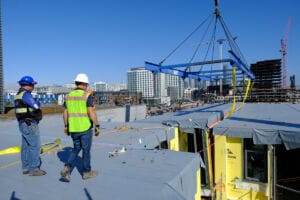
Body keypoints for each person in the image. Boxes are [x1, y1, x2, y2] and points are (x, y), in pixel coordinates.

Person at [60, 73, 100, 182]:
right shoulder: (86, 96)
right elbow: (91, 112)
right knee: (86, 151)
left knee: (76, 149)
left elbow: (65, 113)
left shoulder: (68, 96)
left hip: (73, 129)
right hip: (85, 128)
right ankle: (86, 172)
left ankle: (67, 168)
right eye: (86, 84)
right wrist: (97, 125)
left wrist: (66, 126)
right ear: (84, 84)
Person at [14, 76, 46, 176]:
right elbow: (36, 106)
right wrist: (37, 102)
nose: (33, 87)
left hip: (22, 123)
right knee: (35, 146)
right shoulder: (26, 95)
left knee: (25, 146)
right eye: (33, 85)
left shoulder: (18, 95)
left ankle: (26, 168)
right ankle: (34, 169)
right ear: (29, 85)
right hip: (30, 124)